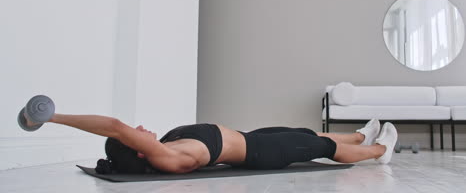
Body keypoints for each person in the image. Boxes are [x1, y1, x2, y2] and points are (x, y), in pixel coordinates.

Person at [23, 112, 397, 174]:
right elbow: (116, 126)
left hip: (250, 140)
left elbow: (123, 130)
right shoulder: (166, 157)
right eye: (138, 134)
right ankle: (381, 152)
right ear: (138, 148)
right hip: (259, 154)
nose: (141, 127)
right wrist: (52, 117)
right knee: (322, 149)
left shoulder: (165, 148)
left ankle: (362, 136)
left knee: (305, 135)